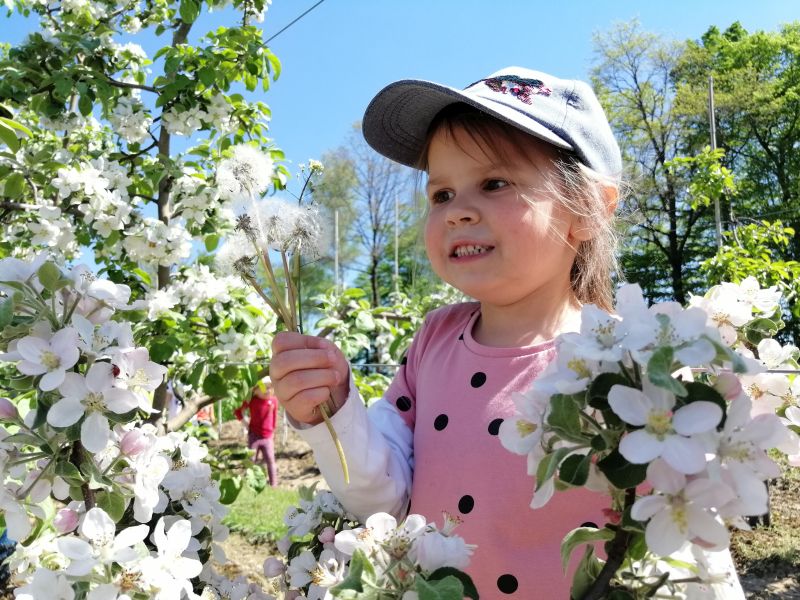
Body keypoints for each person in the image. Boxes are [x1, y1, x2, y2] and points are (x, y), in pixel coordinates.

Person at [270, 67, 744, 598]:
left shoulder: (634, 362)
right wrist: (333, 412)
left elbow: (693, 535)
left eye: (494, 184)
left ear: (588, 209)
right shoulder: (434, 341)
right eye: (441, 193)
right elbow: (382, 498)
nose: (456, 213)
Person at [235, 378, 279, 487]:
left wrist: (273, 431)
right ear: (255, 391)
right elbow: (238, 411)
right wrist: (245, 423)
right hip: (254, 435)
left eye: (270, 387)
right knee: (251, 460)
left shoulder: (273, 401)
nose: (268, 390)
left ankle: (274, 484)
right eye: (264, 388)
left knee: (270, 460)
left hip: (267, 437)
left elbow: (274, 418)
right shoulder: (252, 401)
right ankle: (249, 482)